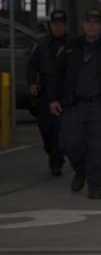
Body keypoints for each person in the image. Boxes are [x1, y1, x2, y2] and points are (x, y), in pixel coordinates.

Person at [49, 9, 101, 200]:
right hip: (74, 105)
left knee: (98, 147)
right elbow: (56, 74)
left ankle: (95, 185)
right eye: (88, 21)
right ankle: (81, 170)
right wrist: (53, 98)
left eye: (96, 22)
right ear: (83, 25)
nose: (91, 25)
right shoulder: (70, 47)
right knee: (69, 143)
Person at [26, 10, 68, 176]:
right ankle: (52, 152)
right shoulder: (42, 44)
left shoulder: (73, 44)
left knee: (60, 129)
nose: (58, 27)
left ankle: (56, 160)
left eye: (61, 23)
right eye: (55, 24)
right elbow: (31, 66)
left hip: (64, 94)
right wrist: (32, 83)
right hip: (45, 93)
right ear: (50, 25)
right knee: (45, 128)